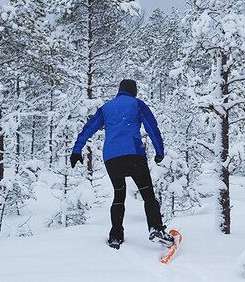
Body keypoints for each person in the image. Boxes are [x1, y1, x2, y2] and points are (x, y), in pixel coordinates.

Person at [70, 79, 174, 249]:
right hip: (133, 154)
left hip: (112, 158)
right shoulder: (137, 104)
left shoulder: (106, 108)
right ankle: (156, 229)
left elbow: (89, 128)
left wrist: (76, 150)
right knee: (148, 194)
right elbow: (152, 127)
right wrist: (159, 151)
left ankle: (115, 236)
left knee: (119, 195)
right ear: (134, 91)